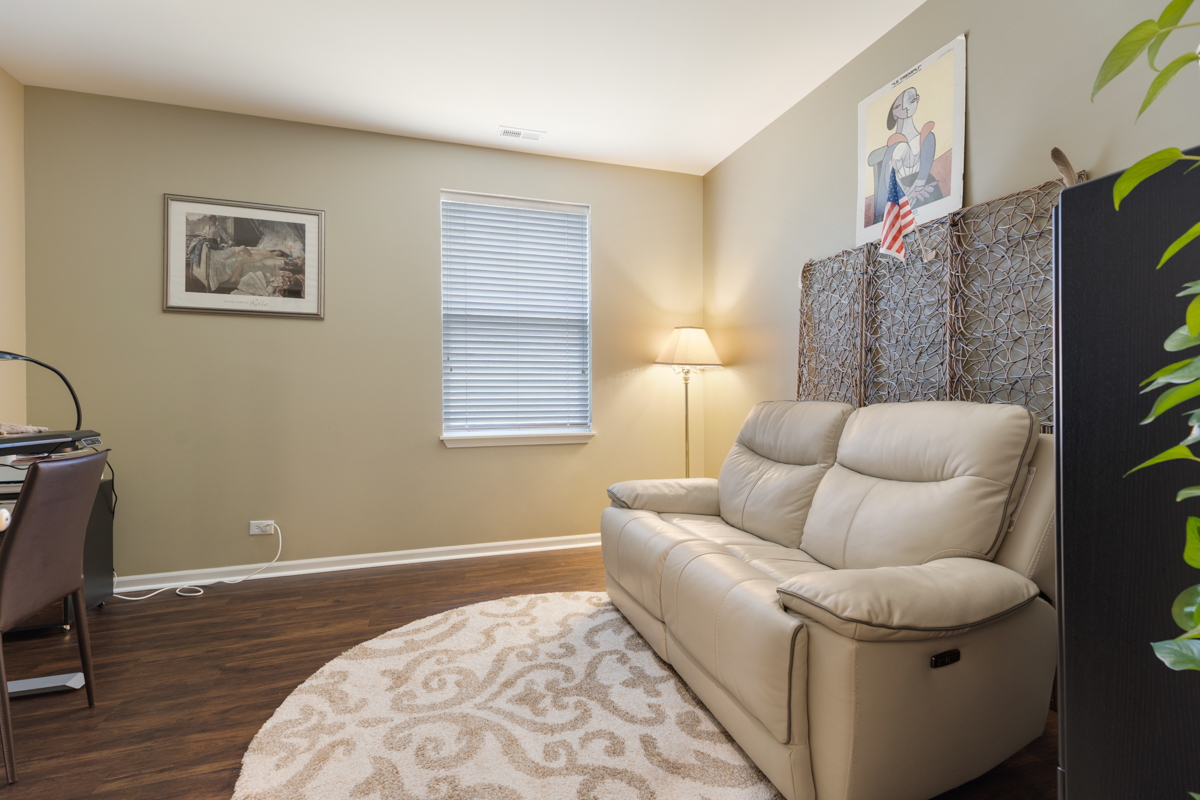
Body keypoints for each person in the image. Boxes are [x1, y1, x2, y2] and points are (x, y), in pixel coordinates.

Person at [871, 87, 943, 225]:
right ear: (894, 114)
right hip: (900, 194)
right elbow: (887, 183)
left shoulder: (927, 137)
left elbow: (922, 177)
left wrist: (917, 188)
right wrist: (908, 195)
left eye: (910, 100)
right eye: (898, 106)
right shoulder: (893, 147)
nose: (905, 107)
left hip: (924, 189)